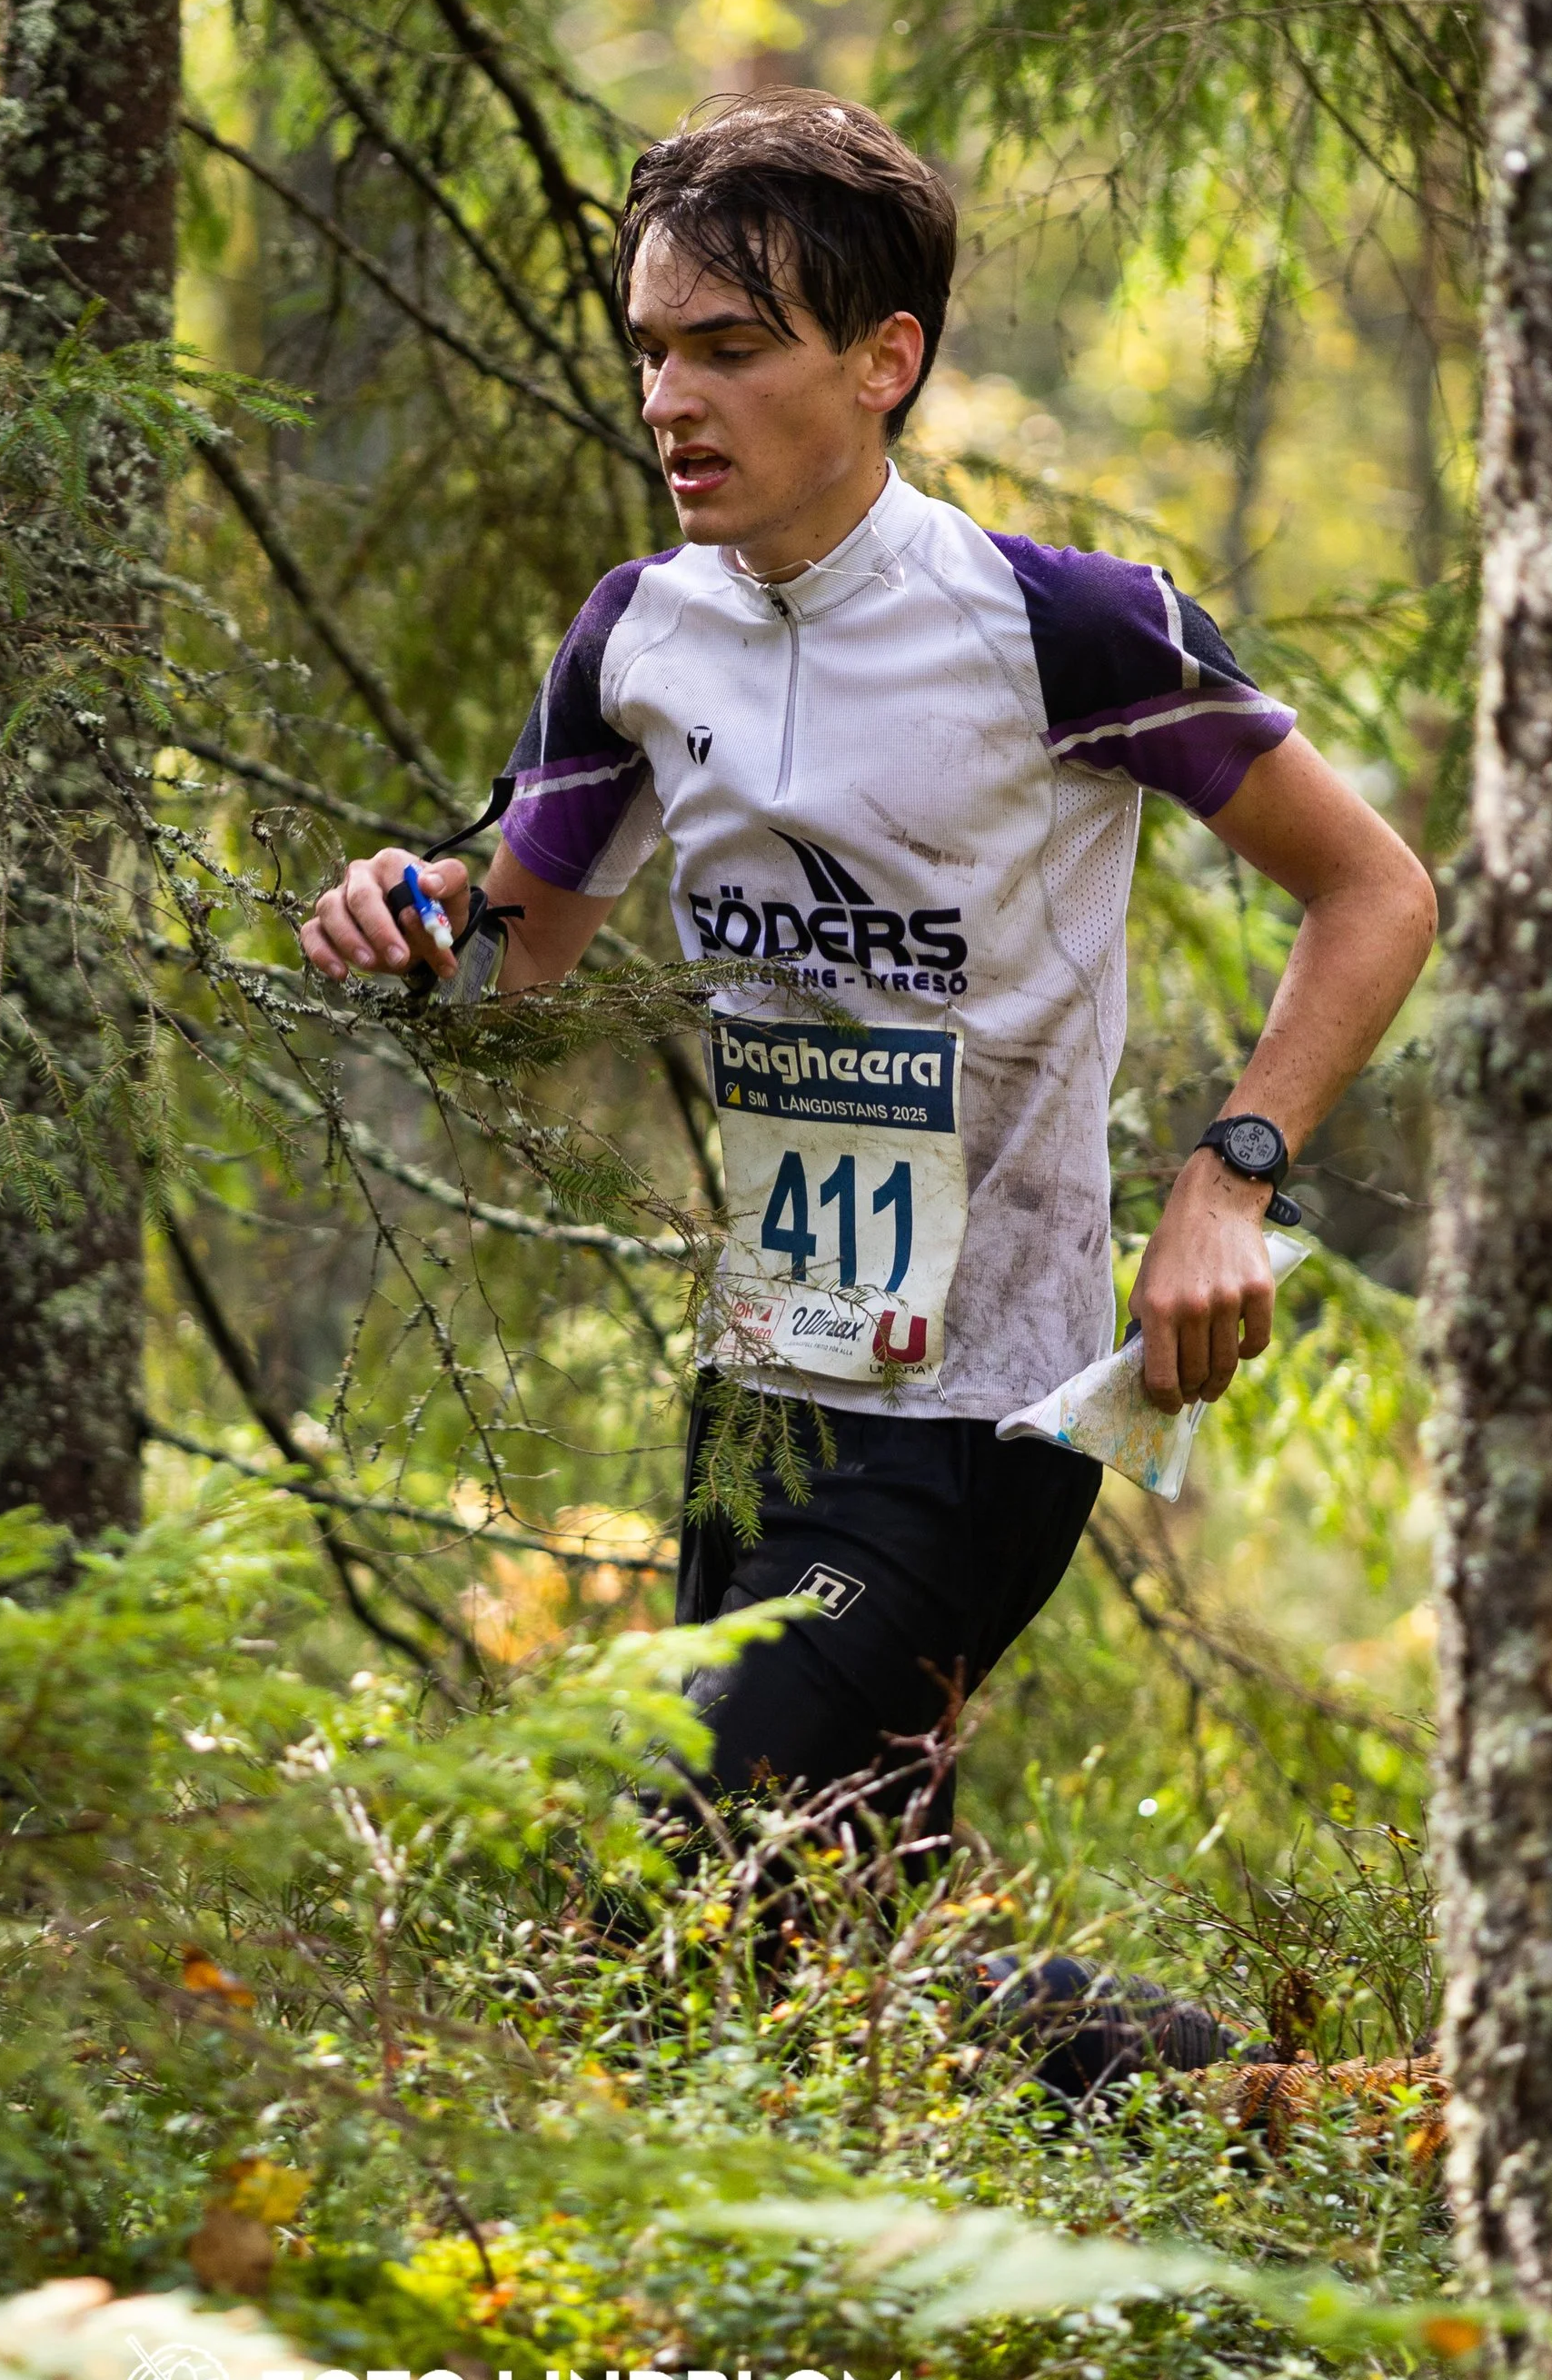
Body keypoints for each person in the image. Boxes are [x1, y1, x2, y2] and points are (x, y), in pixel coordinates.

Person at [300, 90, 1438, 1833]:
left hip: (997, 1407)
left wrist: (1233, 1181)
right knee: (808, 1951)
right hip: (764, 1379)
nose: (674, 400)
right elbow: (511, 966)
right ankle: (1245, 2097)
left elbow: (1378, 893)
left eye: (734, 348)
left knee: (688, 1831)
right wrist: (406, 920)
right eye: (653, 350)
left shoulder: (1069, 628)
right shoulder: (637, 635)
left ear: (884, 358)